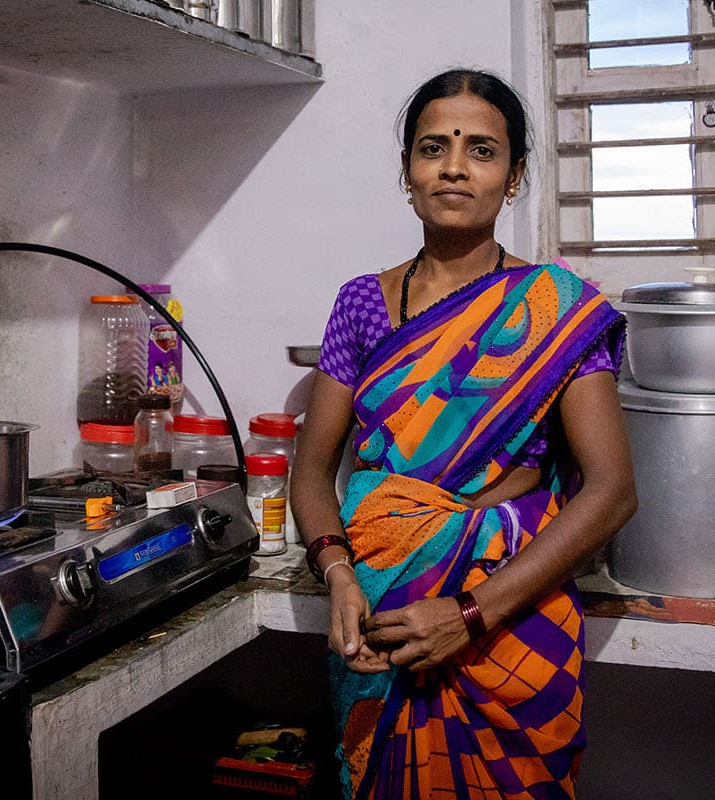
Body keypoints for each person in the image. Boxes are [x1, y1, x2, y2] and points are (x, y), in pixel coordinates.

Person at [290, 68, 637, 799]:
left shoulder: (557, 310)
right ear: (407, 171)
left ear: (514, 178)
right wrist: (338, 573)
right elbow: (312, 473)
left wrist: (471, 616)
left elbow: (610, 493)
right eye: (432, 147)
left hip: (509, 617)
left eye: (482, 149)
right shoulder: (362, 304)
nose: (453, 166)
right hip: (381, 622)